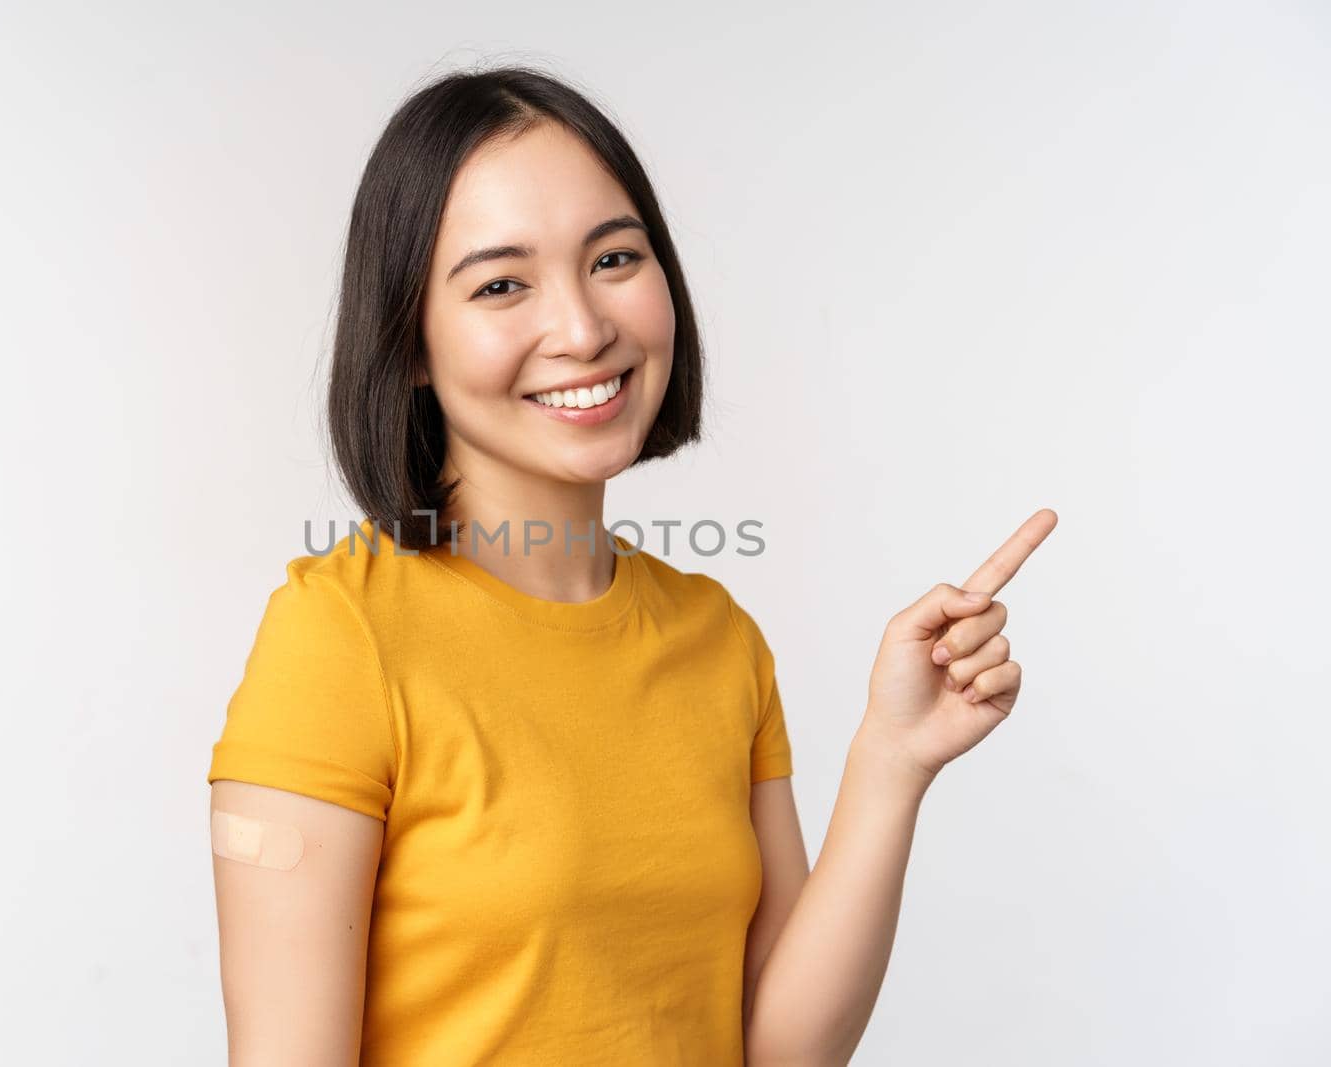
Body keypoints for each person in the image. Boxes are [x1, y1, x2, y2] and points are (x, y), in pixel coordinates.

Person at [206, 64, 1055, 1067]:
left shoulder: (716, 637)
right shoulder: (339, 635)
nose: (582, 328)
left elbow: (778, 1049)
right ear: (411, 345)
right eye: (501, 283)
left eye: (613, 258)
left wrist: (891, 760)